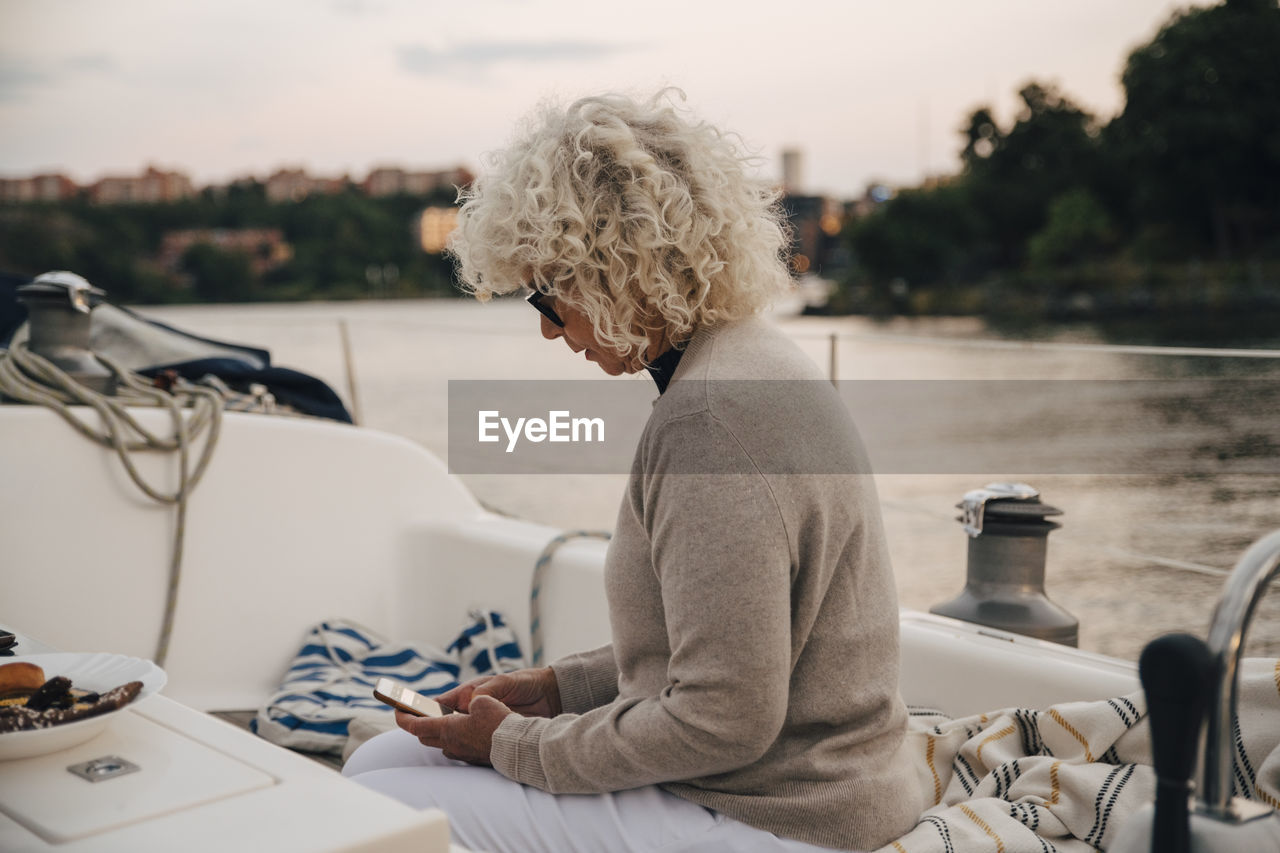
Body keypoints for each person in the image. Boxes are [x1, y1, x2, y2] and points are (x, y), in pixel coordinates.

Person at [343, 89, 921, 852]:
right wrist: (552, 691)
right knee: (387, 757)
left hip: (785, 815)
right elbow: (733, 646)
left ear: (612, 271)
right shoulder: (748, 358)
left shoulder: (709, 422)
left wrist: (514, 746)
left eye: (548, 297)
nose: (552, 330)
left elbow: (722, 718)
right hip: (822, 783)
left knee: (377, 800)